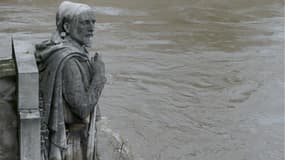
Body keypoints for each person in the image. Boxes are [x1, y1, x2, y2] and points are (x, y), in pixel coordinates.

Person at [35, 1, 106, 160]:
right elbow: (82, 109)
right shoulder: (69, 62)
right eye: (85, 22)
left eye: (93, 22)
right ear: (66, 27)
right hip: (72, 145)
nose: (92, 28)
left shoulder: (66, 51)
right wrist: (99, 77)